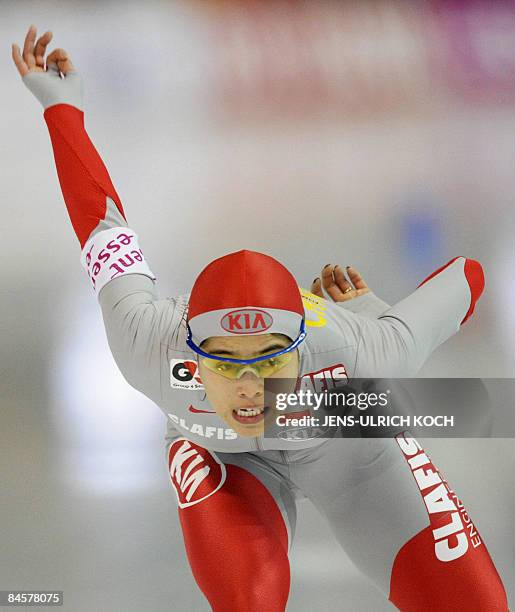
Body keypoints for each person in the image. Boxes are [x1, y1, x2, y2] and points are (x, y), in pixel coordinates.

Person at [13, 26, 509, 611]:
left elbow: (468, 275)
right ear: (190, 353)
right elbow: (97, 215)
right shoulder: (148, 339)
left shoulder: (361, 352)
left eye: (271, 359)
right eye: (225, 361)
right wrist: (61, 104)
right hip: (225, 454)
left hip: (352, 452)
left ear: (304, 346)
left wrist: (380, 317)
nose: (250, 388)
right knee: (250, 600)